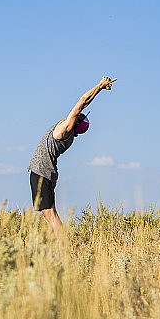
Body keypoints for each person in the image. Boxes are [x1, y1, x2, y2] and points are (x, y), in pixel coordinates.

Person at [28, 76, 116, 241]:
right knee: (48, 213)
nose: (75, 113)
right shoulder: (69, 134)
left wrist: (100, 86)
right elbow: (75, 111)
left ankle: (64, 245)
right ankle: (63, 244)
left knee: (49, 213)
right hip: (47, 174)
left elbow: (83, 101)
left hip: (42, 173)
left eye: (77, 116)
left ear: (74, 123)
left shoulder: (64, 131)